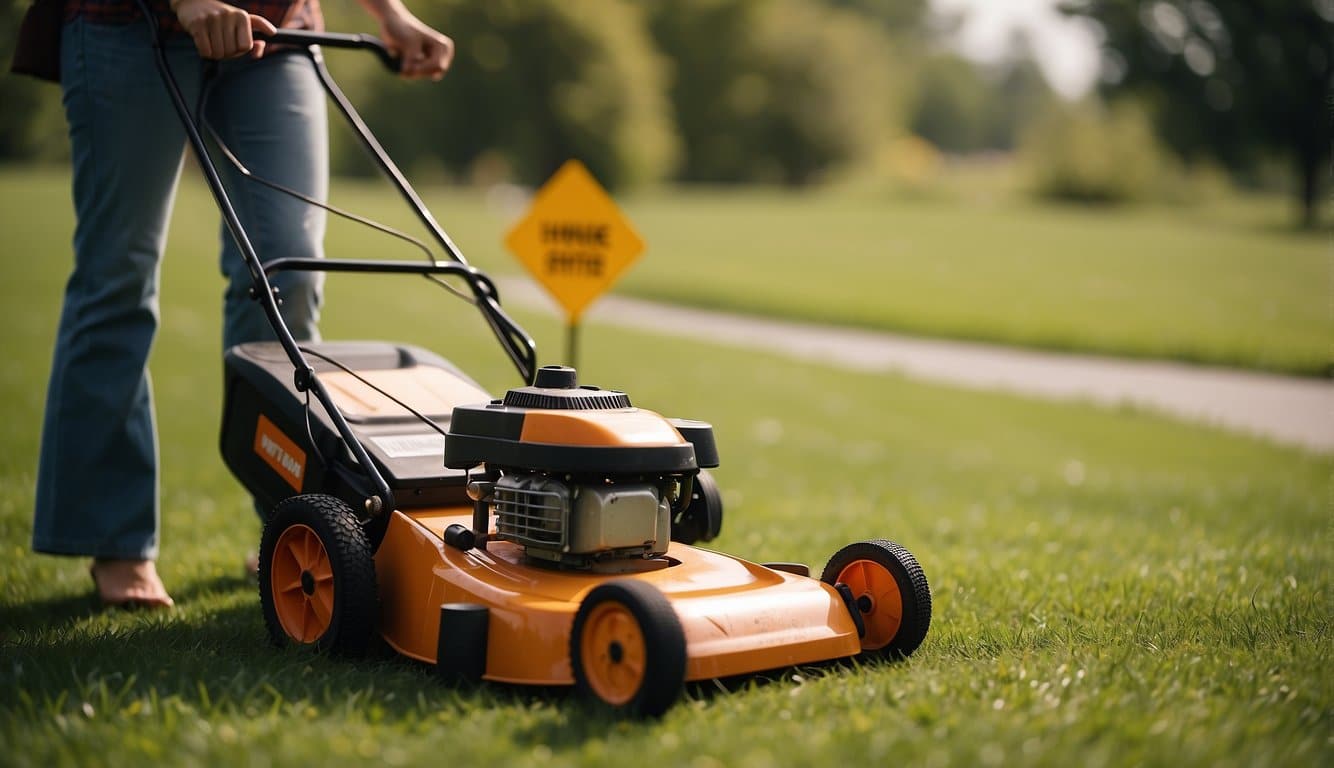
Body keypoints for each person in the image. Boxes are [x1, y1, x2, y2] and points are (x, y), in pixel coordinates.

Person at [30, 0, 453, 607]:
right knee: (118, 275)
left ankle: (289, 516)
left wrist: (391, 14)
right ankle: (115, 540)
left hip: (278, 31)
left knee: (289, 268)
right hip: (124, 22)